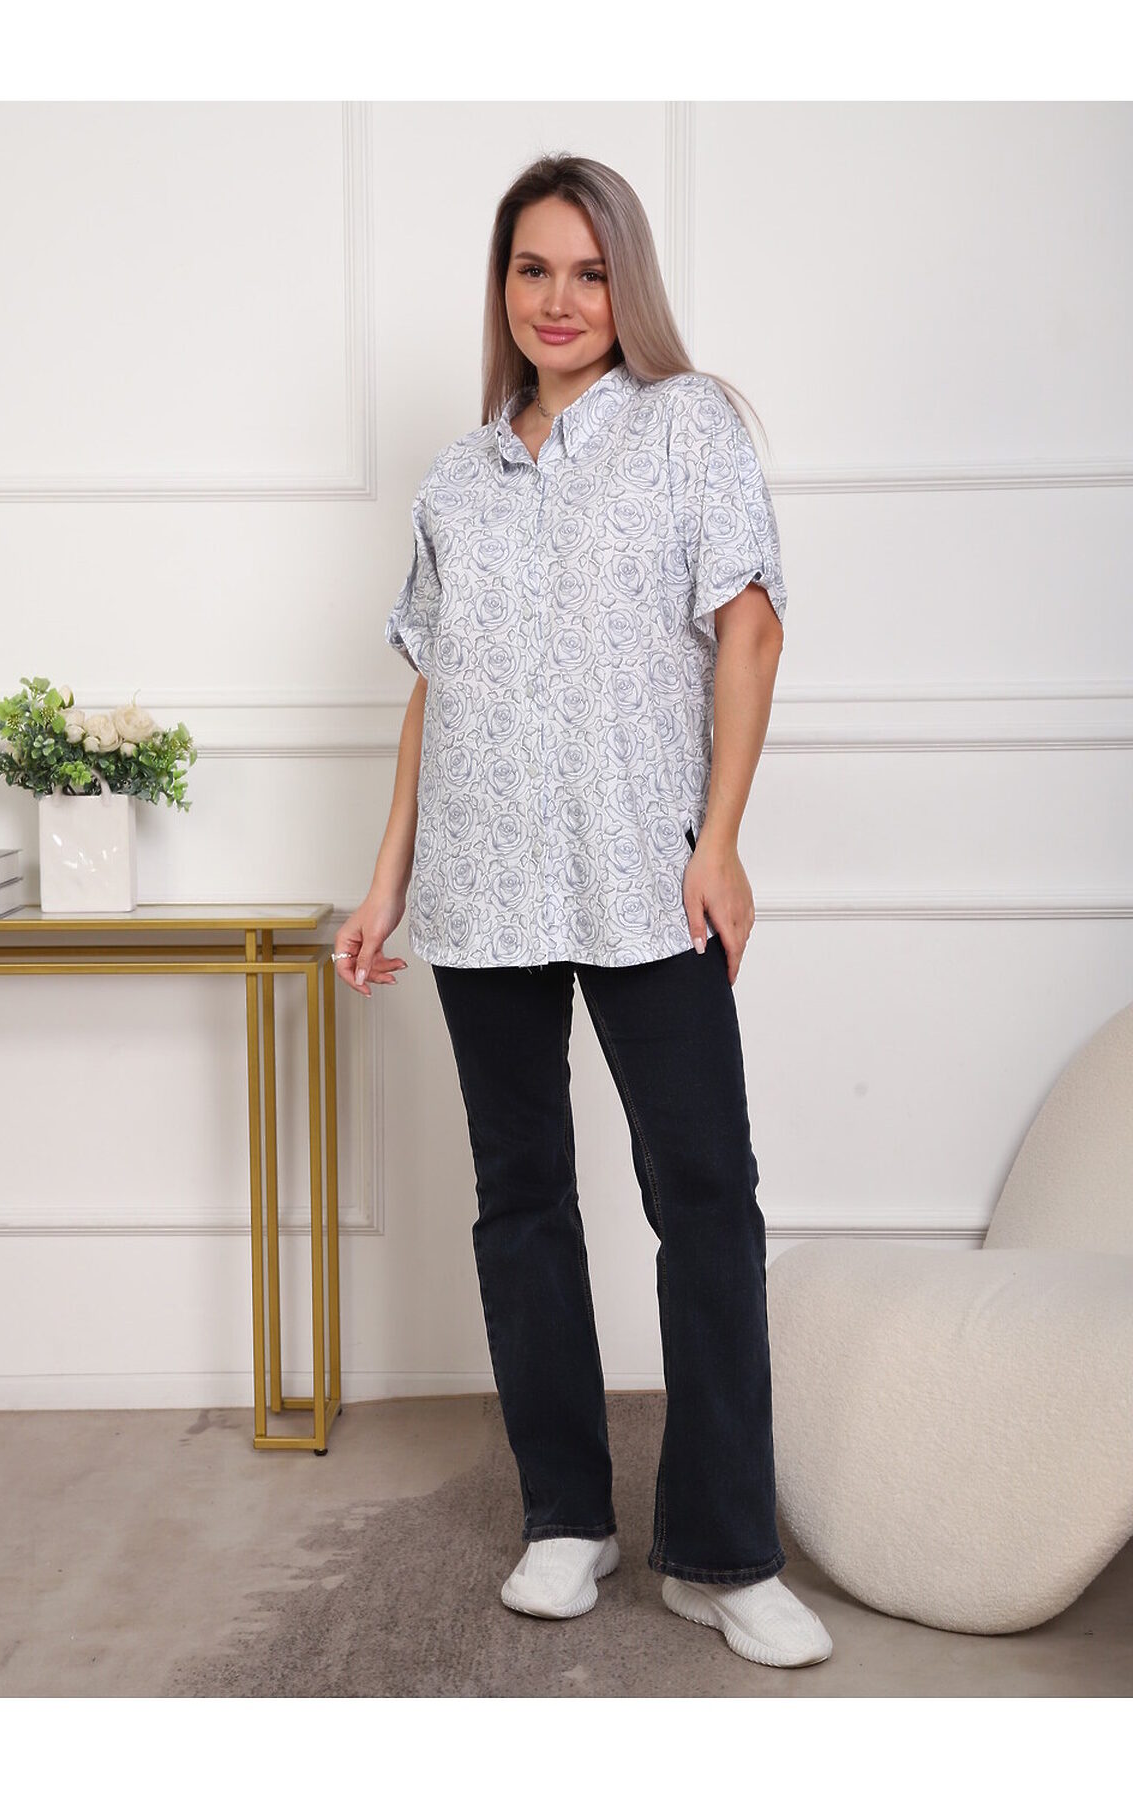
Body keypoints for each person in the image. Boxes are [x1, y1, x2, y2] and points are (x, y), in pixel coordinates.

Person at [335, 153, 832, 1670]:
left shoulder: (690, 428)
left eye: (589, 272)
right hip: (481, 877)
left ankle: (723, 1552)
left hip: (643, 868)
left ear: (629, 285)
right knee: (522, 1199)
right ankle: (566, 1516)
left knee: (706, 1192)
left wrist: (720, 844)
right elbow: (437, 692)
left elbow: (749, 632)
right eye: (533, 269)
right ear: (503, 287)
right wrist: (387, 881)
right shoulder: (456, 478)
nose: (559, 300)